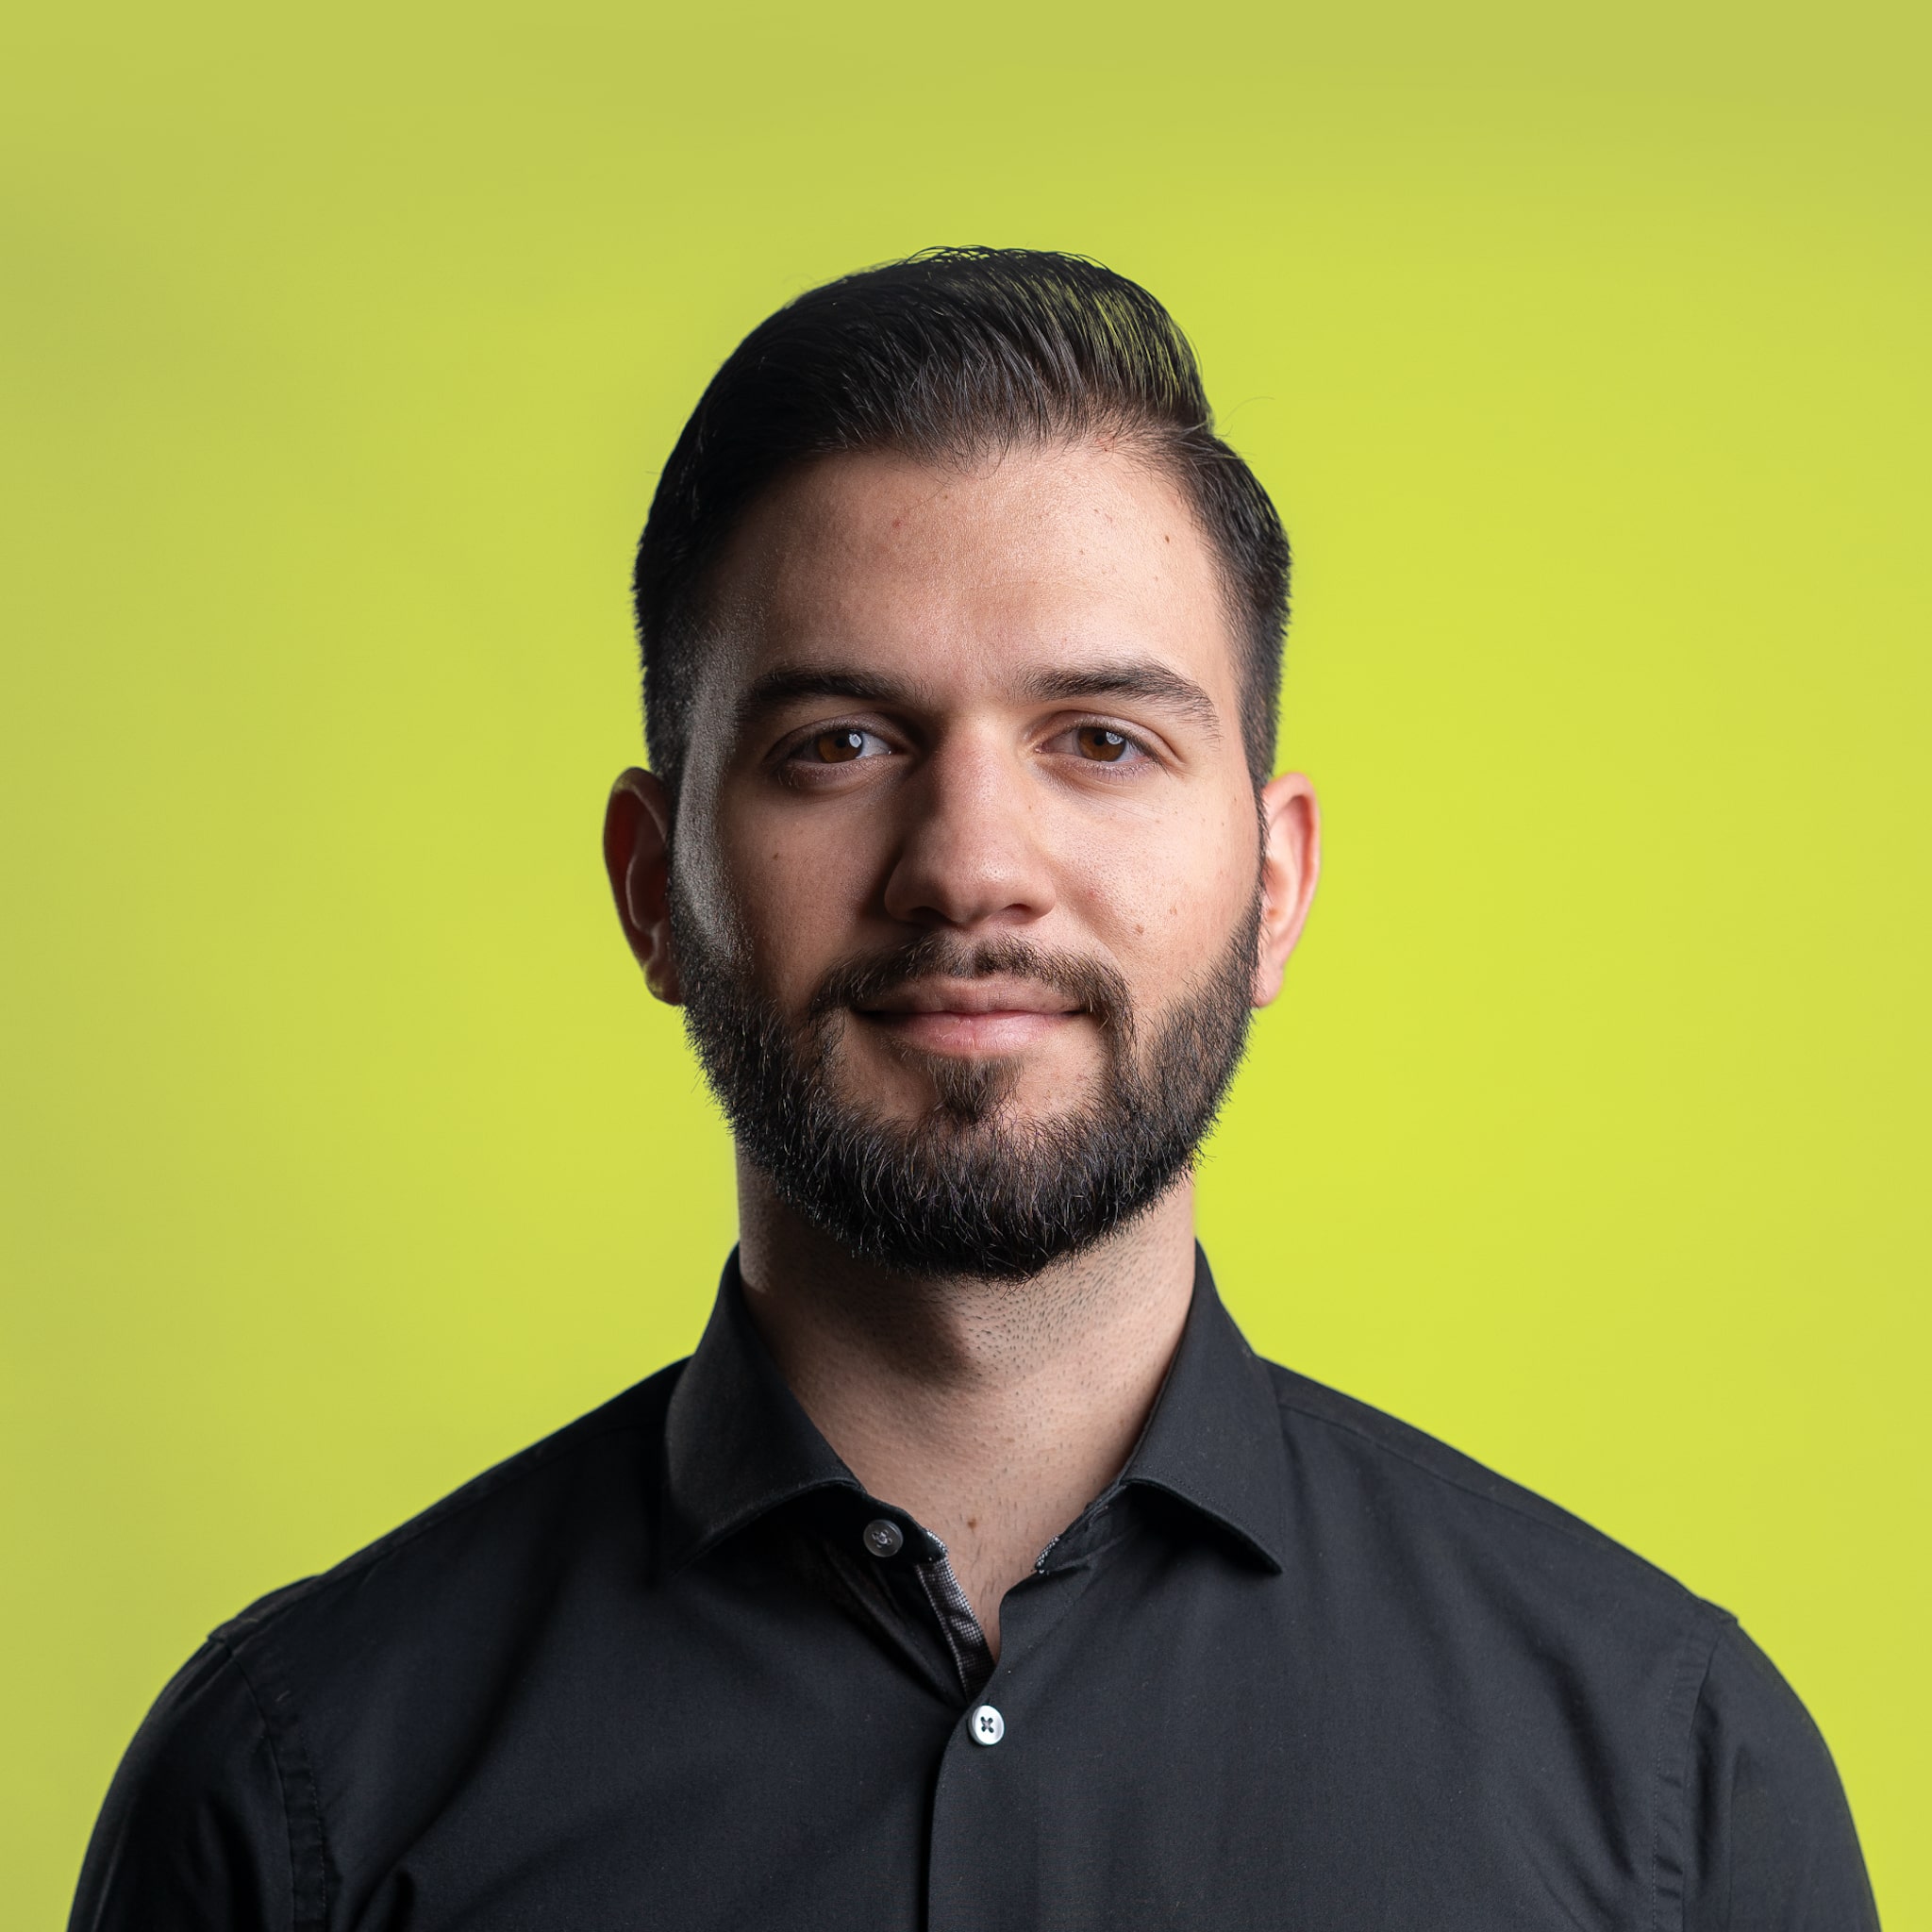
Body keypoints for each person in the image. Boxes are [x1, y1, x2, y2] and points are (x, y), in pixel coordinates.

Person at [70, 248, 1876, 1931]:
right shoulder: (292, 1793)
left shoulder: (1675, 1785)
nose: (971, 864)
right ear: (652, 886)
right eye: (839, 744)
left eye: (1101, 741)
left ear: (1274, 883)